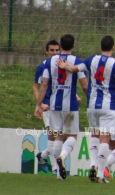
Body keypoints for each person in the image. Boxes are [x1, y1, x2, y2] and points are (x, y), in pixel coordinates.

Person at [57, 35, 115, 183]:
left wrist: (64, 66)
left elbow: (73, 69)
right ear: (113, 48)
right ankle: (99, 173)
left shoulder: (92, 59)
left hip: (92, 106)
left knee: (94, 135)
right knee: (105, 139)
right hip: (108, 106)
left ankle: (92, 165)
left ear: (100, 47)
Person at [35, 34, 88, 180]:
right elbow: (84, 85)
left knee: (57, 136)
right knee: (72, 136)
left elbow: (44, 85)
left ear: (60, 45)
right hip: (70, 105)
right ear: (73, 46)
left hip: (54, 105)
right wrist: (91, 98)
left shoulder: (49, 62)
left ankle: (59, 173)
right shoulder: (77, 62)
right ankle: (63, 156)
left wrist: (38, 105)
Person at [33, 40, 60, 174]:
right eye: (52, 50)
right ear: (47, 51)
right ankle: (55, 168)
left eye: (56, 50)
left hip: (61, 106)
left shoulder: (62, 65)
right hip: (48, 106)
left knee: (61, 137)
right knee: (53, 135)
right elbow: (36, 87)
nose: (54, 53)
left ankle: (42, 155)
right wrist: (40, 104)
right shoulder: (42, 67)